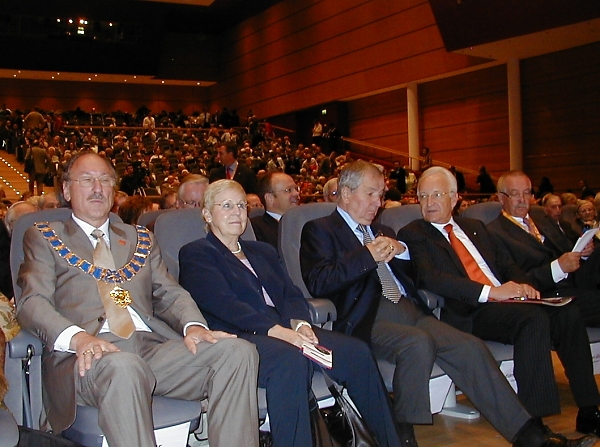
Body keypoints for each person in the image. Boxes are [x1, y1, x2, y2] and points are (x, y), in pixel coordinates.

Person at [300, 161, 589, 447]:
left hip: (410, 309)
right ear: (346, 193)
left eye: (381, 195)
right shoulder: (320, 229)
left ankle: (532, 438)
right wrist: (367, 255)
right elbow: (319, 281)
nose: (378, 202)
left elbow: (417, 277)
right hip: (368, 317)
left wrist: (401, 252)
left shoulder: (383, 229)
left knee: (469, 347)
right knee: (417, 343)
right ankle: (401, 436)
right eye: (371, 194)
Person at [15, 152, 259, 447]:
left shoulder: (139, 238)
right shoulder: (44, 237)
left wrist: (193, 325)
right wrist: (78, 339)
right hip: (88, 358)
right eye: (87, 180)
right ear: (66, 189)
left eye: (105, 180)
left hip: (150, 349)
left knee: (237, 352)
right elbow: (32, 303)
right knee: (124, 367)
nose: (97, 188)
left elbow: (169, 292)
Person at [179, 179, 401, 447]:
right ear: (207, 214)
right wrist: (281, 333)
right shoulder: (197, 253)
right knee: (290, 361)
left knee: (356, 353)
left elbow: (290, 293)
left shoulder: (262, 251)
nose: (236, 212)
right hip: (240, 338)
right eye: (226, 206)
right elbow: (225, 305)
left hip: (287, 331)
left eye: (241, 205)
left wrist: (300, 324)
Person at [398, 166, 600, 440]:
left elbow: (506, 265)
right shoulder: (415, 232)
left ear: (454, 198)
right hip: (472, 309)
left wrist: (523, 285)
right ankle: (535, 426)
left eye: (436, 194)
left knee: (568, 312)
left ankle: (589, 409)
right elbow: (431, 278)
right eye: (423, 196)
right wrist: (491, 292)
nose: (429, 202)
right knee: (533, 320)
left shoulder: (475, 227)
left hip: (507, 300)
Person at [487, 171, 600, 324]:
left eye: (527, 193)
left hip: (576, 282)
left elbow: (568, 249)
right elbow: (515, 280)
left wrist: (584, 253)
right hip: (546, 295)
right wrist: (559, 268)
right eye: (515, 194)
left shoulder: (543, 220)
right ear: (501, 198)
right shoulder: (493, 232)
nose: (522, 199)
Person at [251, 172, 300, 249]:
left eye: (296, 189)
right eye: (288, 190)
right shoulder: (256, 228)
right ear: (270, 198)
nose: (296, 193)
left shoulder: (305, 222)